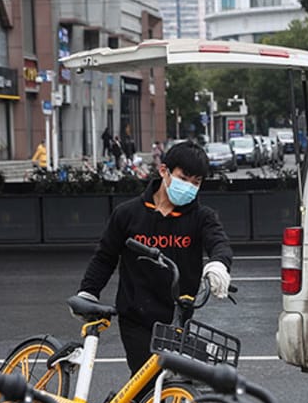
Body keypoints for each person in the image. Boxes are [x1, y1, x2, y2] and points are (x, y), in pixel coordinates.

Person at [76, 140, 233, 376]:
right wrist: (88, 292)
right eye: (184, 178)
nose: (189, 186)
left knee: (169, 383)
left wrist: (218, 264)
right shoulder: (128, 214)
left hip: (178, 315)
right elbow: (105, 257)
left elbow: (219, 242)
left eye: (196, 182)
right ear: (164, 171)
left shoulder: (202, 217)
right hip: (135, 316)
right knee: (146, 382)